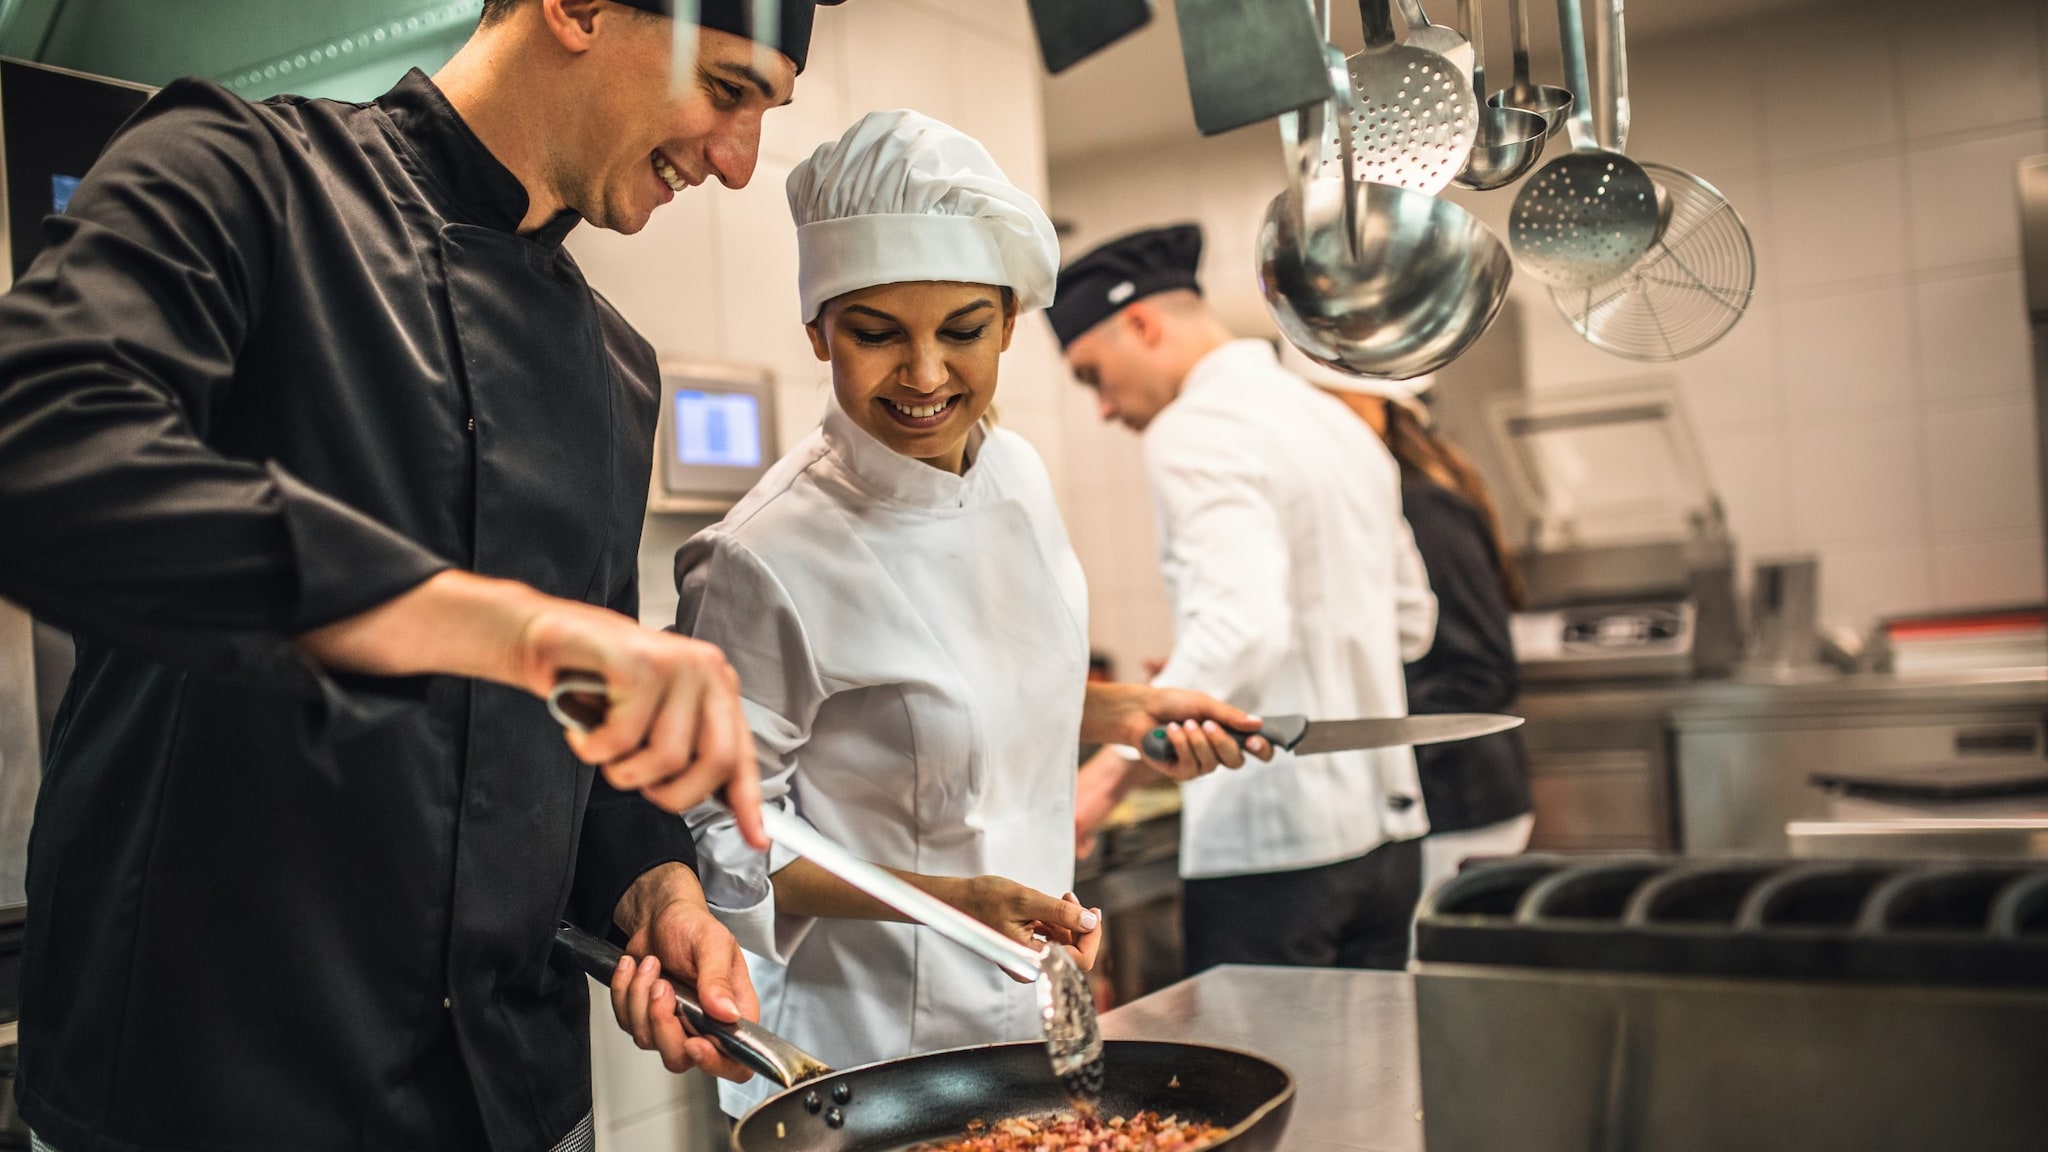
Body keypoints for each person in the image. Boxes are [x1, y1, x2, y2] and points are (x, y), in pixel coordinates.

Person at [0, 1, 837, 1147]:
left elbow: (580, 741)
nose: (739, 164)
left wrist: (657, 888)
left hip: (509, 1104)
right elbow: (42, 447)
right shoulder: (240, 175)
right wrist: (511, 633)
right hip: (193, 1093)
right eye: (728, 90)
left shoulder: (613, 369)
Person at [674, 113, 1268, 1113]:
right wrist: (950, 907)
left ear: (1004, 321)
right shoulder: (758, 557)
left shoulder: (1017, 476)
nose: (924, 375)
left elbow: (980, 678)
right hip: (864, 1062)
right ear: (817, 329)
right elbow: (725, 843)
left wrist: (1122, 713)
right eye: (874, 334)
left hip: (1033, 1017)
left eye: (960, 331)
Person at [1053, 223, 1437, 974]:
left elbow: (1243, 631)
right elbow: (1411, 623)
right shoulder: (1336, 418)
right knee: (1372, 1084)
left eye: (1091, 375)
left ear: (1142, 324)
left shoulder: (1193, 428)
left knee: (1269, 1088)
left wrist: (1098, 784)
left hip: (1275, 851)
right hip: (1390, 844)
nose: (1102, 407)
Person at [1293, 358, 1533, 897]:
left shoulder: (1423, 505)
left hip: (1461, 802)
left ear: (1370, 406)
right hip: (1439, 800)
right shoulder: (1390, 497)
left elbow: (1483, 671)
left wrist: (1361, 726)